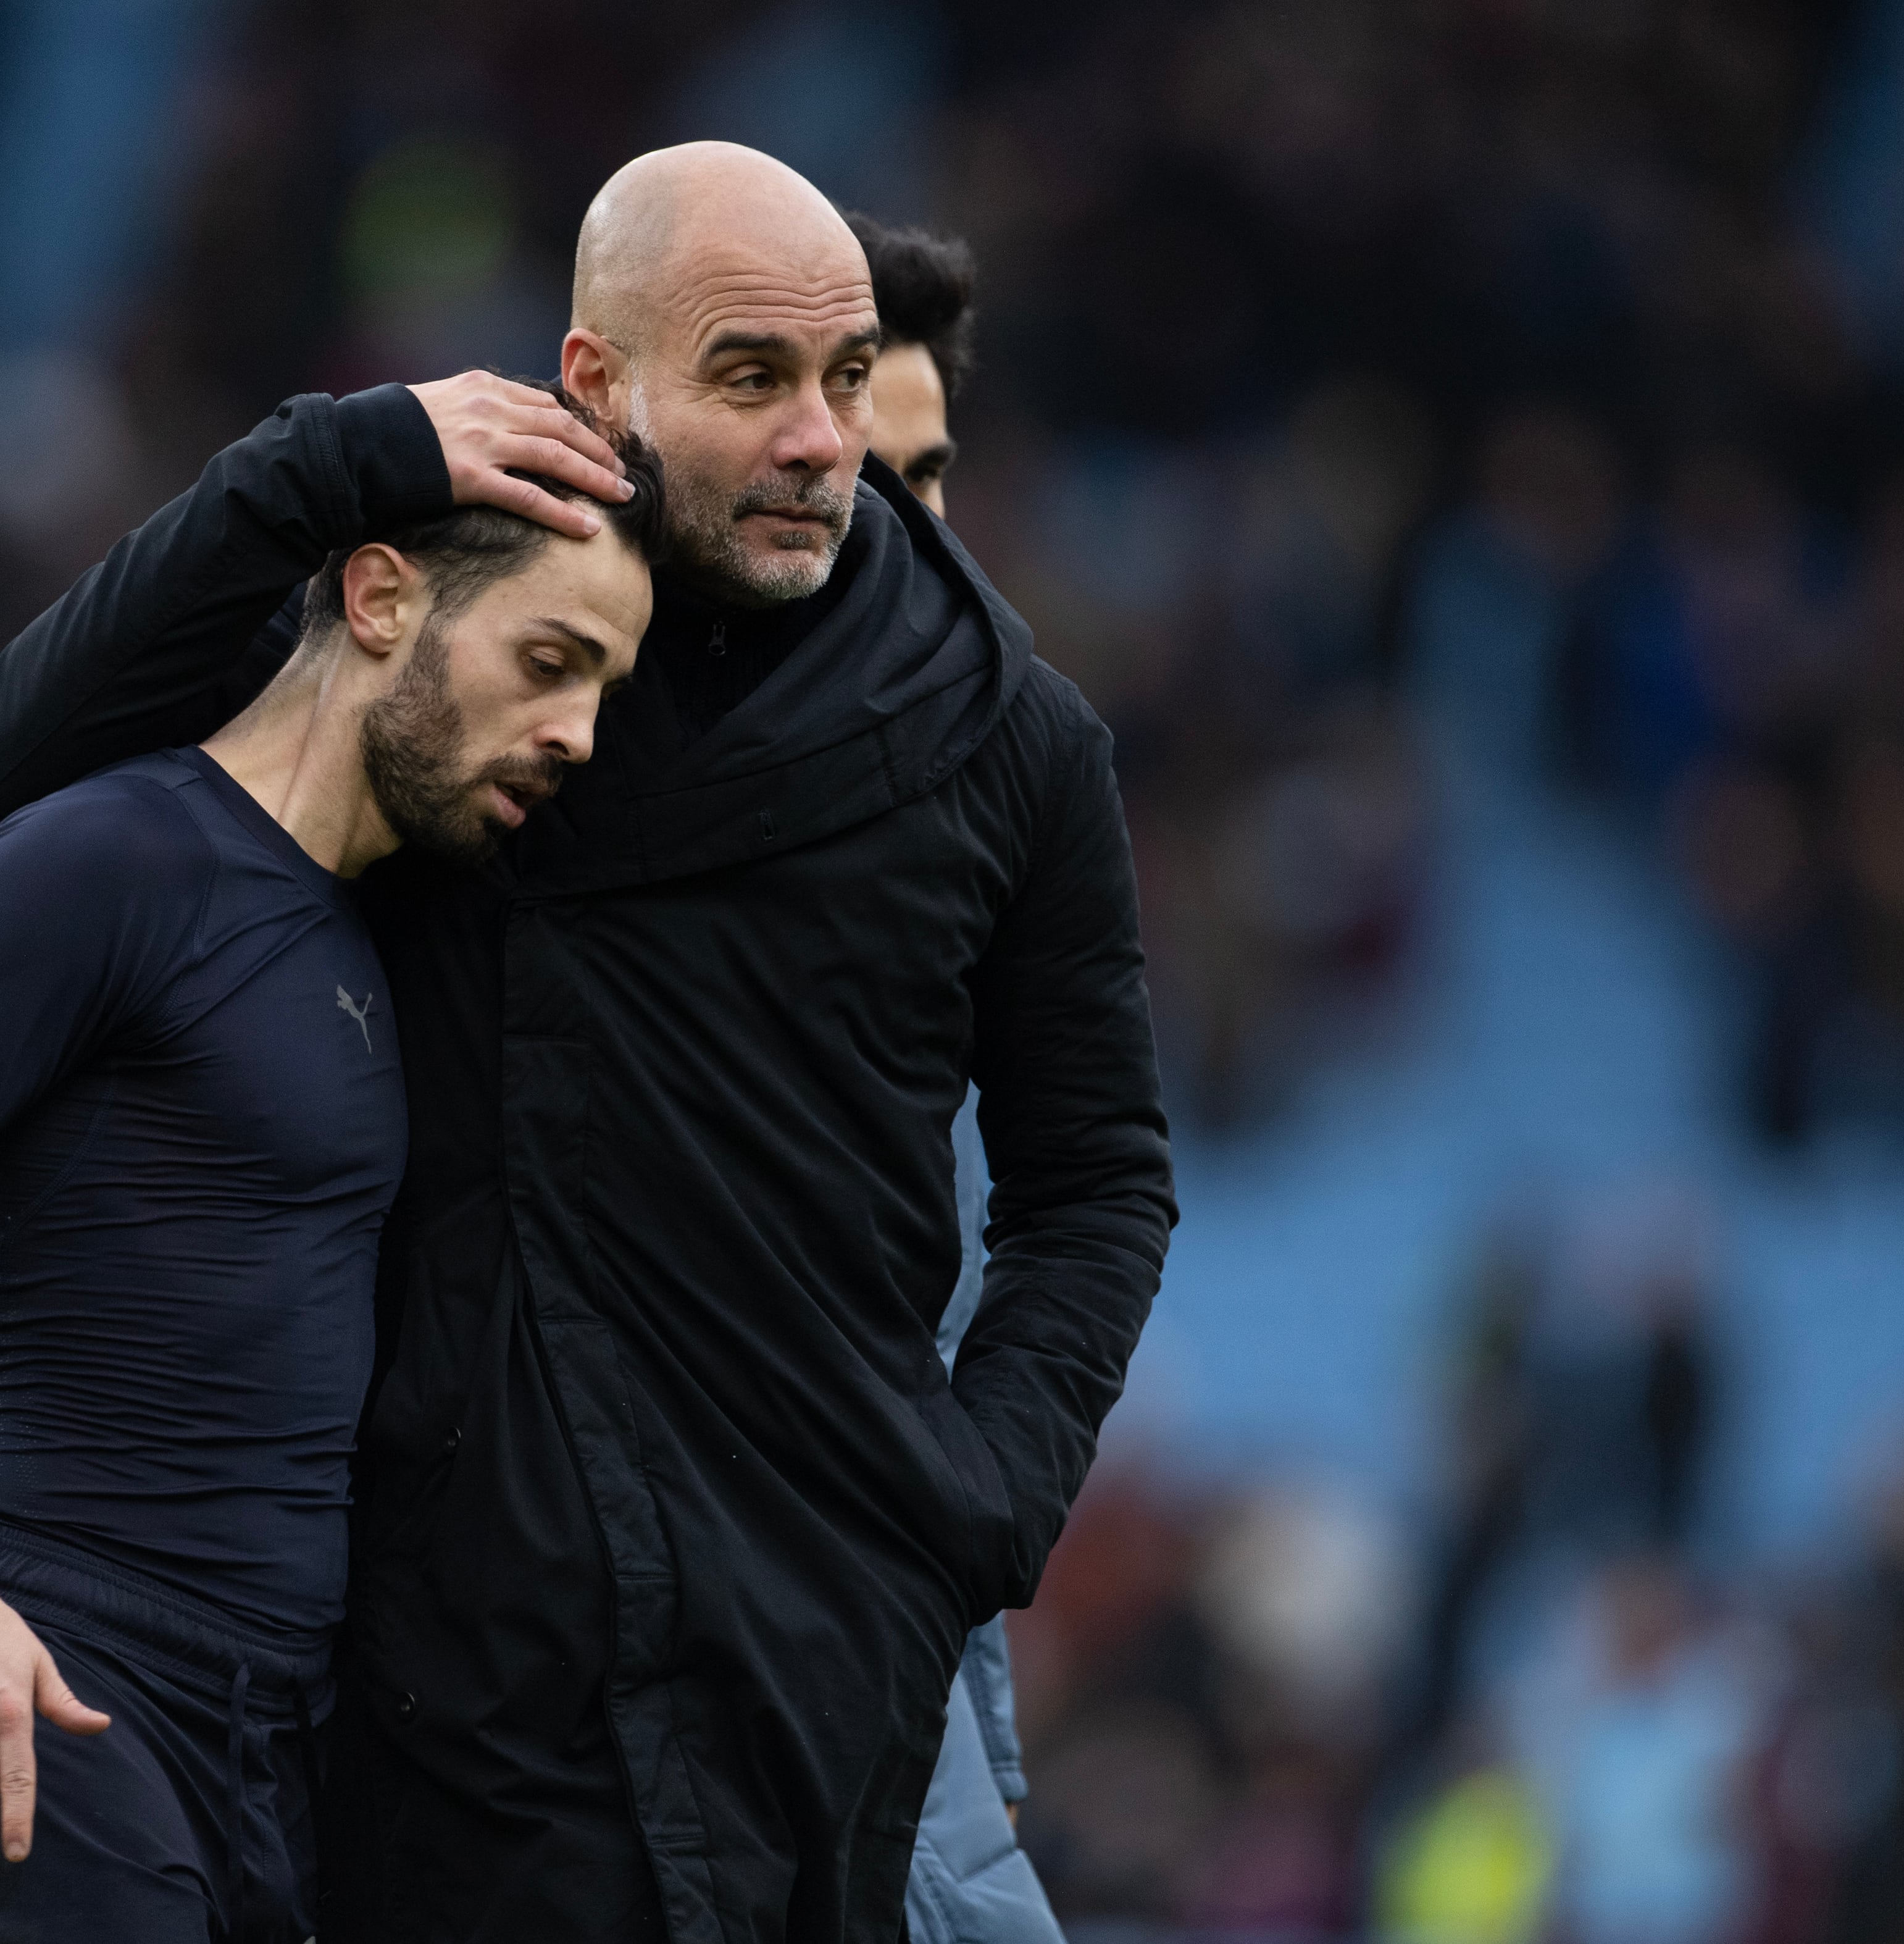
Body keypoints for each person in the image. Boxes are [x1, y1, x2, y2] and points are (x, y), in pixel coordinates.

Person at [0, 141, 1176, 1943]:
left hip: (818, 1643)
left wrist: (978, 1502)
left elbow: (1101, 1179)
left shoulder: (1013, 738)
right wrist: (325, 462)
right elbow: (16, 779)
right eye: (750, 378)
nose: (820, 440)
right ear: (597, 383)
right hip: (451, 1662)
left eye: (845, 381)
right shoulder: (468, 631)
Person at [0, 393, 662, 1943]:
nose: (574, 731)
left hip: (270, 1745)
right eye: (550, 661)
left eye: (603, 691)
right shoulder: (107, 858)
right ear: (376, 598)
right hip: (50, 1686)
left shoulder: (374, 934)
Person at [846, 209, 1069, 1944]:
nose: (907, 535)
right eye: (858, 478)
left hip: (900, 1647)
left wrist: (979, 1503)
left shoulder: (977, 797)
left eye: (927, 477)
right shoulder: (547, 785)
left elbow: (1089, 1192)